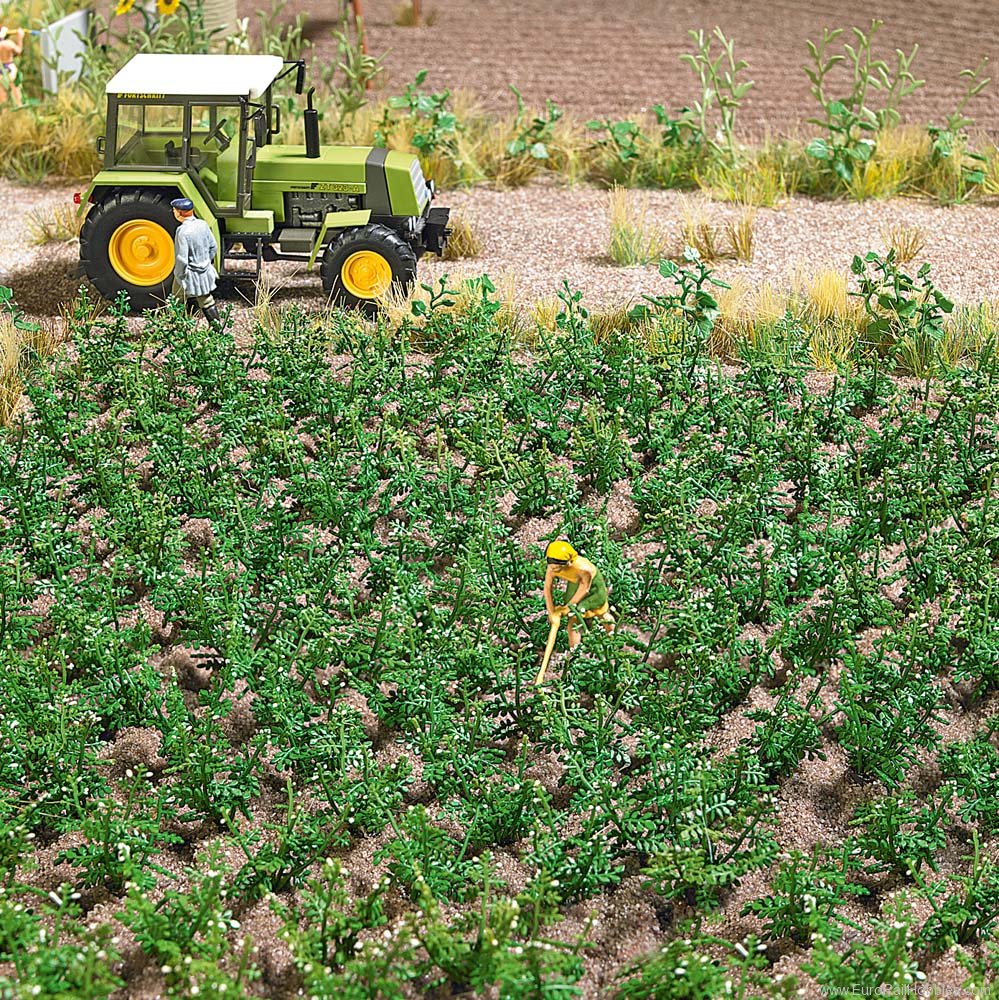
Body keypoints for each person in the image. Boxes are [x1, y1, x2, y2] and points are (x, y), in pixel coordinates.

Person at [542, 539, 615, 652]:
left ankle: (613, 637)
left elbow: (585, 589)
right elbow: (547, 588)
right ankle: (574, 651)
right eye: (552, 567)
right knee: (573, 619)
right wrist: (551, 612)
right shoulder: (553, 565)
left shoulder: (584, 569)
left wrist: (568, 607)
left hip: (593, 589)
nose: (554, 570)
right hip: (575, 584)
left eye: (557, 568)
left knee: (601, 613)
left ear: (568, 563)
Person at [170, 197, 223, 328]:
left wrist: (179, 274)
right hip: (204, 271)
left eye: (174, 210)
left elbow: (182, 258)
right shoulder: (202, 225)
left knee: (177, 300)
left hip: (188, 272)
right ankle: (217, 329)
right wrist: (205, 262)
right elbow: (213, 247)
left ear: (179, 213)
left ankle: (179, 330)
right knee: (206, 300)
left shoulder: (182, 232)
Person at [0, 26, 26, 108]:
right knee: (15, 90)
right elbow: (19, 51)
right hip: (10, 68)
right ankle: (19, 106)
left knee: (2, 93)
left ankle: (4, 111)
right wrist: (20, 38)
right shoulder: (8, 44)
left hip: (1, 69)